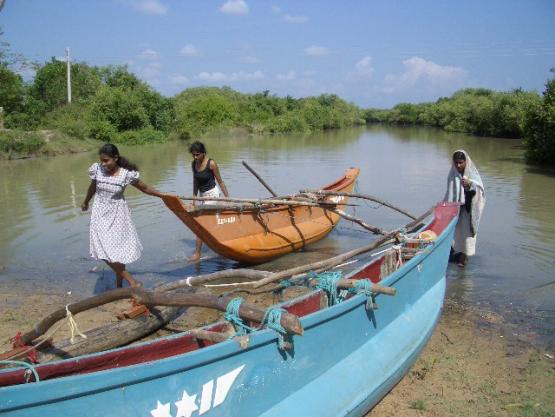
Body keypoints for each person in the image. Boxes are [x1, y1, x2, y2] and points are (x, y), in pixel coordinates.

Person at [81, 144, 166, 288]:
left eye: (106, 160)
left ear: (115, 158)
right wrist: (86, 201)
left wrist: (162, 195)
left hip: (119, 214)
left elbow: (145, 188)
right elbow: (93, 187)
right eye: (102, 160)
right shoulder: (97, 169)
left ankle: (120, 284)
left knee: (117, 249)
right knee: (102, 250)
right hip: (100, 213)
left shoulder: (126, 174)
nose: (103, 163)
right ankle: (131, 281)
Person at [444, 150, 486, 267]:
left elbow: (480, 190)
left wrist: (470, 185)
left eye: (461, 163)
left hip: (469, 212)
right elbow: (449, 194)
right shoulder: (452, 175)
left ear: (466, 162)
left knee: (467, 236)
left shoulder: (472, 175)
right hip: (457, 211)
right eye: (456, 163)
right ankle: (457, 255)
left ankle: (463, 261)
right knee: (456, 235)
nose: (458, 165)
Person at [189, 141, 229, 261]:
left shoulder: (211, 164)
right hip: (202, 196)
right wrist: (194, 199)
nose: (195, 157)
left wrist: (227, 198)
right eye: (193, 155)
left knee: (201, 224)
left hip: (213, 195)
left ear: (203, 153)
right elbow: (195, 182)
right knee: (213, 223)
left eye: (197, 155)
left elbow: (220, 181)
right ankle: (222, 246)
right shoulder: (194, 164)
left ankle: (197, 253)